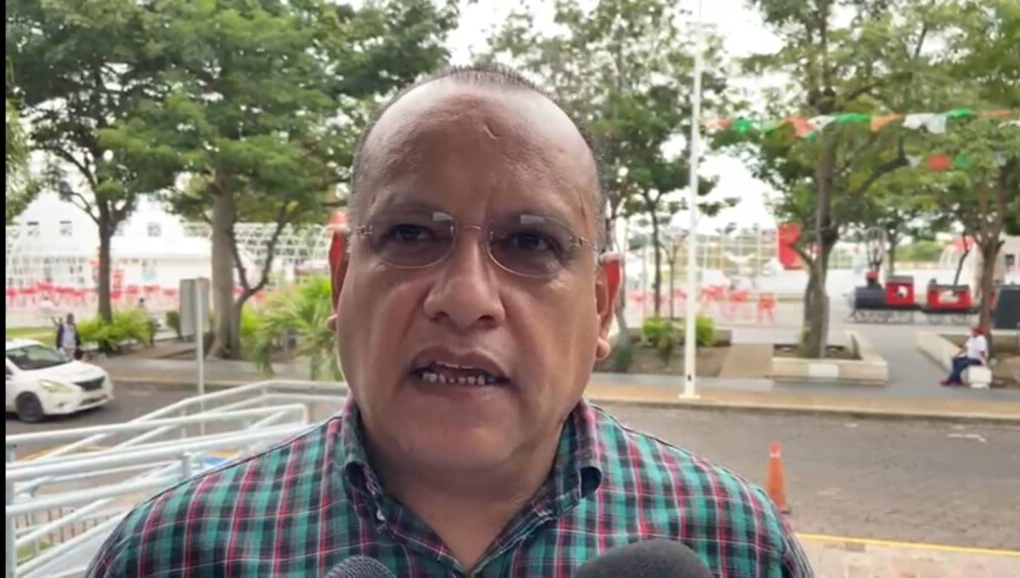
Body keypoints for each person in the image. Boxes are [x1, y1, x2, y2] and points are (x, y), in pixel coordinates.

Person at [87, 64, 812, 577]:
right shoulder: (172, 553)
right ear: (342, 277)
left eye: (530, 243)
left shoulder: (739, 547)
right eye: (410, 234)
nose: (466, 298)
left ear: (600, 303)